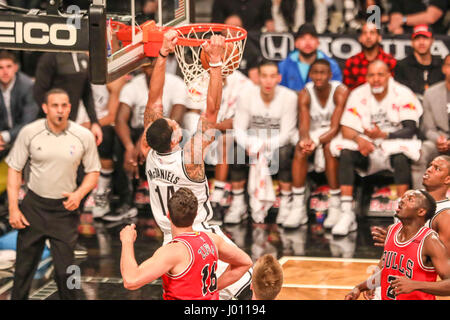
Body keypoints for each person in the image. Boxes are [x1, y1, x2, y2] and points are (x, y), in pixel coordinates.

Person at [141, 30, 253, 300]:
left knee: (186, 296)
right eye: (174, 125)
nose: (174, 121)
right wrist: (215, 63)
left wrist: (163, 54)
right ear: (175, 138)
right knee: (245, 283)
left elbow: (154, 99)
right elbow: (212, 113)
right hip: (200, 235)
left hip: (170, 240)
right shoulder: (189, 157)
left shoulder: (150, 150)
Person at [6, 88, 101, 299]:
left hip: (64, 210)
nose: (60, 110)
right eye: (55, 105)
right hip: (34, 208)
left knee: (68, 272)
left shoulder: (83, 135)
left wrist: (79, 194)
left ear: (70, 107)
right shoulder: (29, 132)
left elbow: (93, 172)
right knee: (22, 271)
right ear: (45, 108)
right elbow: (14, 169)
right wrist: (14, 208)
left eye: (64, 105)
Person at [329, 60, 423, 236]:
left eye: (380, 74)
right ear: (366, 77)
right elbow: (346, 127)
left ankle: (400, 217)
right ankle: (346, 212)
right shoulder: (358, 94)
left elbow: (411, 128)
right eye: (371, 75)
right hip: (368, 148)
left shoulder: (402, 93)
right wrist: (359, 139)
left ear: (389, 75)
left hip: (393, 144)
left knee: (401, 157)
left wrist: (385, 135)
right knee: (346, 152)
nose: (376, 79)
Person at [120, 187, 253, 299]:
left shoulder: (172, 252)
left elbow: (131, 281)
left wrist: (127, 242)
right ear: (195, 215)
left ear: (168, 215)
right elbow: (245, 262)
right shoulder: (212, 239)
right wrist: (211, 287)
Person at [108, 63, 187, 222]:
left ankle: (170, 203)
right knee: (117, 139)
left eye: (156, 64)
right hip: (138, 133)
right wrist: (130, 147)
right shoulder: (133, 86)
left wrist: (141, 143)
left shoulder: (176, 83)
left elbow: (174, 120)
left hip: (166, 132)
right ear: (143, 67)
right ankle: (126, 202)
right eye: (150, 65)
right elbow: (120, 119)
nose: (153, 67)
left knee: (170, 134)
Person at [228, 60, 298, 226]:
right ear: (258, 78)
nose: (268, 81)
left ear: (279, 78)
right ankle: (238, 204)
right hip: (252, 143)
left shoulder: (289, 97)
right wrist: (251, 145)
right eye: (264, 76)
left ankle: (286, 204)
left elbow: (287, 133)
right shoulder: (246, 95)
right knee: (236, 151)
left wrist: (264, 146)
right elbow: (238, 129)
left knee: (284, 154)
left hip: (277, 143)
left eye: (272, 76)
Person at [345, 189, 450, 300]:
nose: (402, 201)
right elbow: (387, 272)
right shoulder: (392, 230)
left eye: (410, 199)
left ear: (421, 212)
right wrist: (360, 287)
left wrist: (416, 285)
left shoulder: (430, 241)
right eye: (403, 197)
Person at [289, 59, 348, 228]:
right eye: (315, 72)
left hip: (335, 132)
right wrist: (306, 140)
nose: (319, 76)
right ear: (310, 74)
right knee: (300, 149)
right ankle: (298, 206)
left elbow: (335, 127)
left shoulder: (340, 91)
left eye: (323, 73)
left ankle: (335, 205)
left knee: (330, 148)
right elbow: (304, 124)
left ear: (330, 75)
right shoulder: (305, 93)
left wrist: (315, 141)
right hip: (314, 133)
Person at [33, 52, 103, 146]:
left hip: (71, 122)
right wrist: (54, 120)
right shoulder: (49, 58)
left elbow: (87, 93)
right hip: (48, 125)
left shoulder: (84, 58)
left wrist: (94, 122)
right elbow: (39, 92)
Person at [0, 50, 38, 196]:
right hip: (3, 139)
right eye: (0, 67)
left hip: (24, 137)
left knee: (30, 150)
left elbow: (28, 122)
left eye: (8, 66)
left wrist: (4, 137)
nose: (5, 71)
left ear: (16, 67)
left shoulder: (27, 85)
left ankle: (28, 197)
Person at [410, 54, 450, 190]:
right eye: (449, 65)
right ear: (444, 69)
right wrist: (439, 139)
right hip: (438, 141)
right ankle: (420, 200)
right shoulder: (431, 93)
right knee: (420, 153)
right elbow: (427, 127)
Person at [278, 23, 342, 92]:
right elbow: (279, 93)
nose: (308, 43)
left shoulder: (331, 66)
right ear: (296, 43)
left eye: (312, 38)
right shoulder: (283, 66)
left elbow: (336, 92)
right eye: (303, 38)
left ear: (318, 43)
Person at [394, 25, 444, 100]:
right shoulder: (401, 67)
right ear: (412, 42)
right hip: (410, 108)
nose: (421, 42)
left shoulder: (441, 65)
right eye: (417, 38)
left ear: (432, 40)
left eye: (425, 38)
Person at [343, 22, 396, 91]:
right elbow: (347, 90)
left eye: (372, 33)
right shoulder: (351, 62)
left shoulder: (390, 61)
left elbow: (395, 88)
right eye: (365, 33)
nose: (368, 36)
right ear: (360, 39)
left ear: (379, 38)